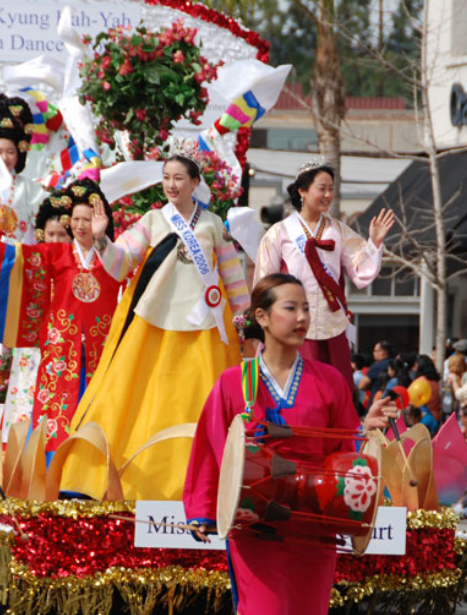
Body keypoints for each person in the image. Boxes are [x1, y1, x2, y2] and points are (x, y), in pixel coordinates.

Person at [183, 274, 393, 615]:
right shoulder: (235, 383)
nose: (301, 318)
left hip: (314, 531)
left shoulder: (329, 382)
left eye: (306, 309)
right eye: (290, 308)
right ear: (261, 317)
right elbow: (214, 448)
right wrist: (203, 508)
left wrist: (366, 444)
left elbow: (344, 453)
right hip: (257, 529)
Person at [60, 155, 248, 500]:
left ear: (194, 183)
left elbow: (233, 277)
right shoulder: (152, 220)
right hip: (153, 324)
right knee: (141, 397)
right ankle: (131, 481)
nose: (172, 185)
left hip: (203, 327)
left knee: (198, 399)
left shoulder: (212, 224)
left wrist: (242, 317)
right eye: (166, 178)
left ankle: (200, 485)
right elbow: (120, 266)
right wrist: (102, 240)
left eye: (179, 178)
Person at [253, 162, 394, 381]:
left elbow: (360, 271)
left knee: (335, 388)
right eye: (322, 188)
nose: (328, 194)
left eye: (331, 189)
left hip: (331, 325)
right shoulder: (279, 232)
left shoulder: (338, 230)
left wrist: (374, 242)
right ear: (302, 191)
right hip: (292, 325)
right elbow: (265, 281)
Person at [30, 179, 123, 448]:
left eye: (88, 219)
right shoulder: (56, 254)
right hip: (61, 346)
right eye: (76, 219)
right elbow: (22, 264)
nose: (81, 225)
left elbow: (128, 276)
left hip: (101, 346)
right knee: (58, 407)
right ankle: (52, 471)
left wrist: (102, 237)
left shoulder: (112, 256)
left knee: (97, 407)